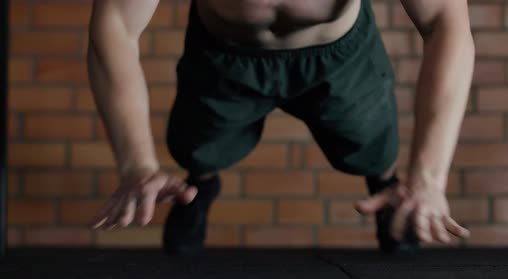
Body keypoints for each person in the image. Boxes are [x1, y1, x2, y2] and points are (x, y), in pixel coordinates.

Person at [87, 0, 474, 255]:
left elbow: (444, 21)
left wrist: (428, 178)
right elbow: (116, 24)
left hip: (340, 57)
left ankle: (387, 189)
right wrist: (136, 164)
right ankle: (199, 187)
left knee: (372, 147)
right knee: (195, 145)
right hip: (225, 56)